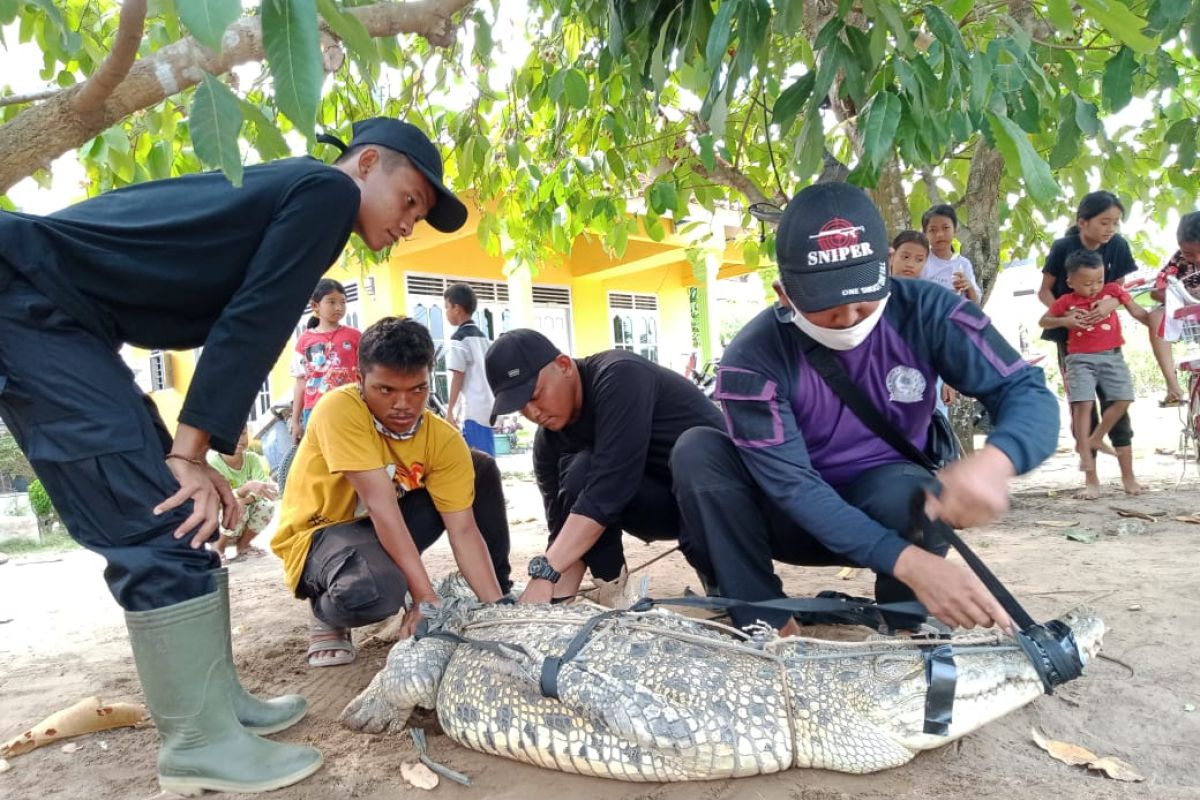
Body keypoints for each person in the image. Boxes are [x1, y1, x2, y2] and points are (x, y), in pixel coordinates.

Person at [0, 116, 468, 794]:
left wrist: (196, 454)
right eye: (411, 202)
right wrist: (191, 454)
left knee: (184, 511)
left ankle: (217, 705)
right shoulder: (325, 194)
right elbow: (255, 318)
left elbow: (237, 323)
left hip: (68, 319)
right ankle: (197, 744)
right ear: (367, 164)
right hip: (28, 305)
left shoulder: (298, 192)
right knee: (158, 517)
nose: (410, 224)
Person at [672, 182, 1058, 636]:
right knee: (697, 450)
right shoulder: (752, 359)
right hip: (786, 520)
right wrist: (910, 562)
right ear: (785, 294)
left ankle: (905, 620)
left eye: (863, 298)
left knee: (917, 493)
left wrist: (996, 462)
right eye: (829, 307)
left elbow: (1026, 390)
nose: (851, 318)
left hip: (888, 508)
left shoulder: (927, 311)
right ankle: (766, 620)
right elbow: (795, 489)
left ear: (886, 272)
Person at [271, 317, 511, 668]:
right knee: (375, 591)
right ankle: (327, 612)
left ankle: (499, 595)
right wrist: (424, 595)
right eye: (386, 390)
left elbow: (463, 529)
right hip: (320, 535)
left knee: (480, 467)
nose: (404, 404)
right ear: (360, 381)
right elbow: (381, 506)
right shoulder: (340, 409)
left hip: (376, 530)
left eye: (417, 389)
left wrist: (498, 615)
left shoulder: (441, 438)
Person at [484, 329, 724, 603]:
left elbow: (609, 488)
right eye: (521, 408)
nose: (533, 413)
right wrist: (553, 601)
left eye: (535, 395)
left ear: (563, 366)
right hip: (659, 507)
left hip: (721, 502)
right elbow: (562, 530)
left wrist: (545, 573)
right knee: (579, 477)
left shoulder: (620, 376)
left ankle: (719, 568)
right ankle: (615, 594)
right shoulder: (548, 444)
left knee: (589, 476)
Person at [1037, 190, 1141, 496]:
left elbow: (1117, 288)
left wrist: (1110, 303)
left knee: (1118, 403)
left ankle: (1128, 477)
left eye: (1115, 223)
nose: (1111, 229)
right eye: (1104, 222)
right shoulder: (1062, 248)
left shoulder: (1118, 246)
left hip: (1107, 341)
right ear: (1083, 222)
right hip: (1071, 341)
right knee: (1083, 408)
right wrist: (1066, 313)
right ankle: (1091, 480)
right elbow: (1044, 291)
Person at [890, 230, 958, 415]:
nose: (910, 264)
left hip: (928, 381)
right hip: (883, 381)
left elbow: (947, 342)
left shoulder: (932, 299)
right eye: (905, 256)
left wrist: (949, 380)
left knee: (932, 435)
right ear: (891, 256)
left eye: (919, 259)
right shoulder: (873, 297)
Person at [289, 278, 361, 442]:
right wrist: (295, 421)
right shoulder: (303, 341)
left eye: (343, 302)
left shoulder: (356, 337)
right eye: (331, 302)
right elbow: (300, 383)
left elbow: (367, 374)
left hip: (349, 408)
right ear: (315, 306)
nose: (339, 307)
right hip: (315, 411)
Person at [1148, 212, 1200, 407]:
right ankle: (1172, 386)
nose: (1197, 259)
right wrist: (1177, 297)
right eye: (1189, 254)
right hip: (1188, 319)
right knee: (1155, 315)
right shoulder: (1178, 260)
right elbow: (1156, 291)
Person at [207, 426, 278, 563]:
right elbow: (218, 498)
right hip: (218, 525)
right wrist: (245, 489)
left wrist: (244, 499)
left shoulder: (253, 459)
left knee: (266, 506)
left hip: (240, 522)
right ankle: (218, 548)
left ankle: (243, 545)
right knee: (235, 506)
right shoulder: (213, 463)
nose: (240, 439)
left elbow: (262, 489)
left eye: (243, 433)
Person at [443, 282, 496, 455]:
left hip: (472, 410)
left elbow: (458, 376)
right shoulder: (482, 337)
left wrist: (450, 411)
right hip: (487, 405)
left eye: (447, 307)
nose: (446, 313)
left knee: (478, 461)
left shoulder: (459, 339)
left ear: (457, 309)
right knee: (486, 458)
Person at [921, 204, 982, 303]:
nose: (940, 234)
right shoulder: (921, 260)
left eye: (945, 228)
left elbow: (975, 303)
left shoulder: (963, 264)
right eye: (932, 230)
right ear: (925, 234)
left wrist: (969, 286)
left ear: (955, 229)